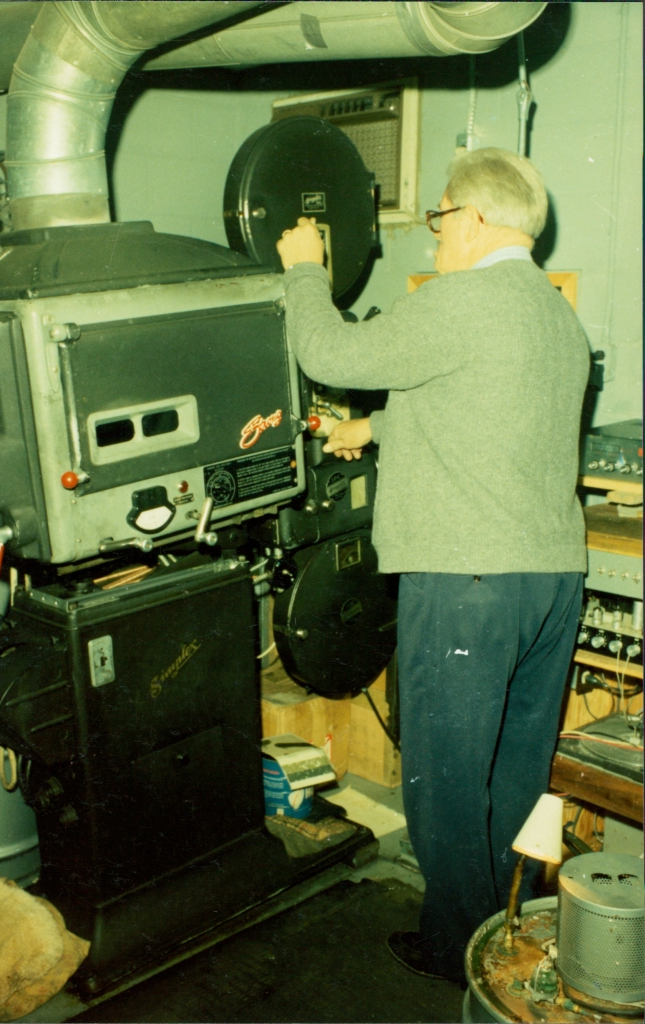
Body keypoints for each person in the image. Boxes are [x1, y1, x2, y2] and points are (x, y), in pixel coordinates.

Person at [276, 148, 589, 984]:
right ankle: (504, 938)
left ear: (477, 219)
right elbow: (486, 405)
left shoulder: (461, 298)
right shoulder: (551, 310)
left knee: (447, 783)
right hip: (548, 579)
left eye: (441, 218)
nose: (435, 236)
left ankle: (459, 954)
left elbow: (329, 358)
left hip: (466, 583)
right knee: (510, 773)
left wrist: (306, 272)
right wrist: (372, 432)